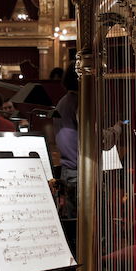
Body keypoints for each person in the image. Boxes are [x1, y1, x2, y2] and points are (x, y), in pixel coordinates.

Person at [54, 62, 79, 218]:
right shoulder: (78, 103)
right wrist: (116, 130)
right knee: (80, 224)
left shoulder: (62, 101)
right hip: (78, 172)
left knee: (73, 222)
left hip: (67, 170)